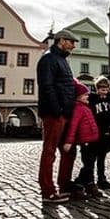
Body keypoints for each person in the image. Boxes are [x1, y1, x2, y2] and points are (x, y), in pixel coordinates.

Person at [37, 29, 78, 203]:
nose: (74, 45)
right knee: (49, 151)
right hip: (55, 114)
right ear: (61, 40)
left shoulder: (61, 59)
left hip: (64, 113)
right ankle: (47, 191)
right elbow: (47, 87)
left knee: (69, 151)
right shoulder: (48, 58)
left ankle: (64, 185)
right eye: (71, 42)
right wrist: (58, 110)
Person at [75, 75, 110, 193]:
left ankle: (101, 179)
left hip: (106, 133)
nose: (104, 92)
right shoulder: (92, 100)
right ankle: (83, 181)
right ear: (97, 88)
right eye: (102, 89)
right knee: (91, 159)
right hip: (94, 134)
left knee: (102, 157)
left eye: (106, 89)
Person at [62, 80, 99, 198]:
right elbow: (73, 126)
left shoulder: (85, 107)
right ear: (78, 96)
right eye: (85, 94)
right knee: (87, 165)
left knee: (90, 164)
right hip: (86, 141)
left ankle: (89, 184)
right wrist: (69, 141)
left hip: (92, 140)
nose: (88, 96)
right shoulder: (78, 108)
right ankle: (78, 184)